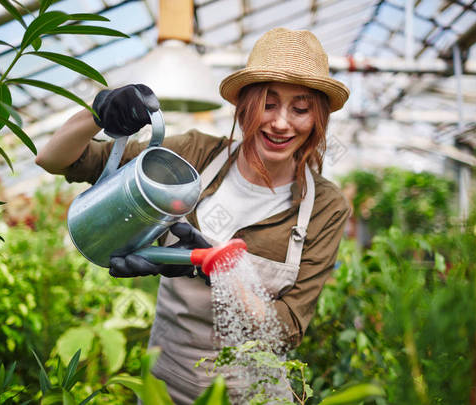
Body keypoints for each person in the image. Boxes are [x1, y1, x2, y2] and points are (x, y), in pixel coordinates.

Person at [36, 28, 351, 404]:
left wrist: (221, 272)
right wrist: (99, 112)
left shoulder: (325, 206)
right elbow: (55, 159)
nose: (282, 123)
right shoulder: (195, 155)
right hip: (166, 387)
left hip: (254, 394)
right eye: (269, 104)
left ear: (317, 118)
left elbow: (287, 330)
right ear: (244, 107)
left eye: (300, 109)